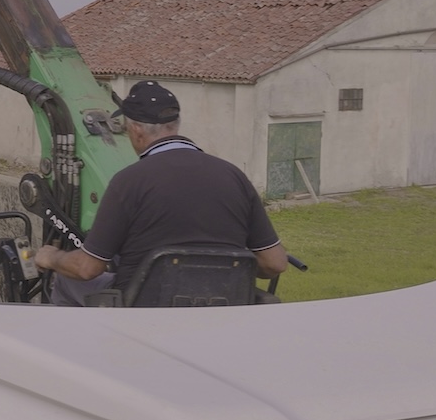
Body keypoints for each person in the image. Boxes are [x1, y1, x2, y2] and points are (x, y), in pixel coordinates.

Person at [34, 80, 289, 306]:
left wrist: (51, 257)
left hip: (142, 307)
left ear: (135, 130)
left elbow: (87, 268)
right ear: (175, 124)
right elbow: (274, 264)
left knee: (67, 282)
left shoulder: (128, 181)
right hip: (220, 302)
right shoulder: (234, 176)